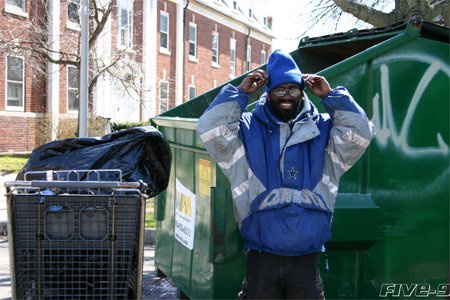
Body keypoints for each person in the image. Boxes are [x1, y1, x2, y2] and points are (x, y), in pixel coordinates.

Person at [197, 49, 376, 299]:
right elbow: (210, 129)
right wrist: (239, 93)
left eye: (293, 89)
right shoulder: (247, 127)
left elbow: (361, 133)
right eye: (279, 90)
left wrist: (331, 96)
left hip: (307, 256)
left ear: (302, 92)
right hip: (261, 254)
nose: (286, 96)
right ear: (268, 92)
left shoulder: (324, 127)